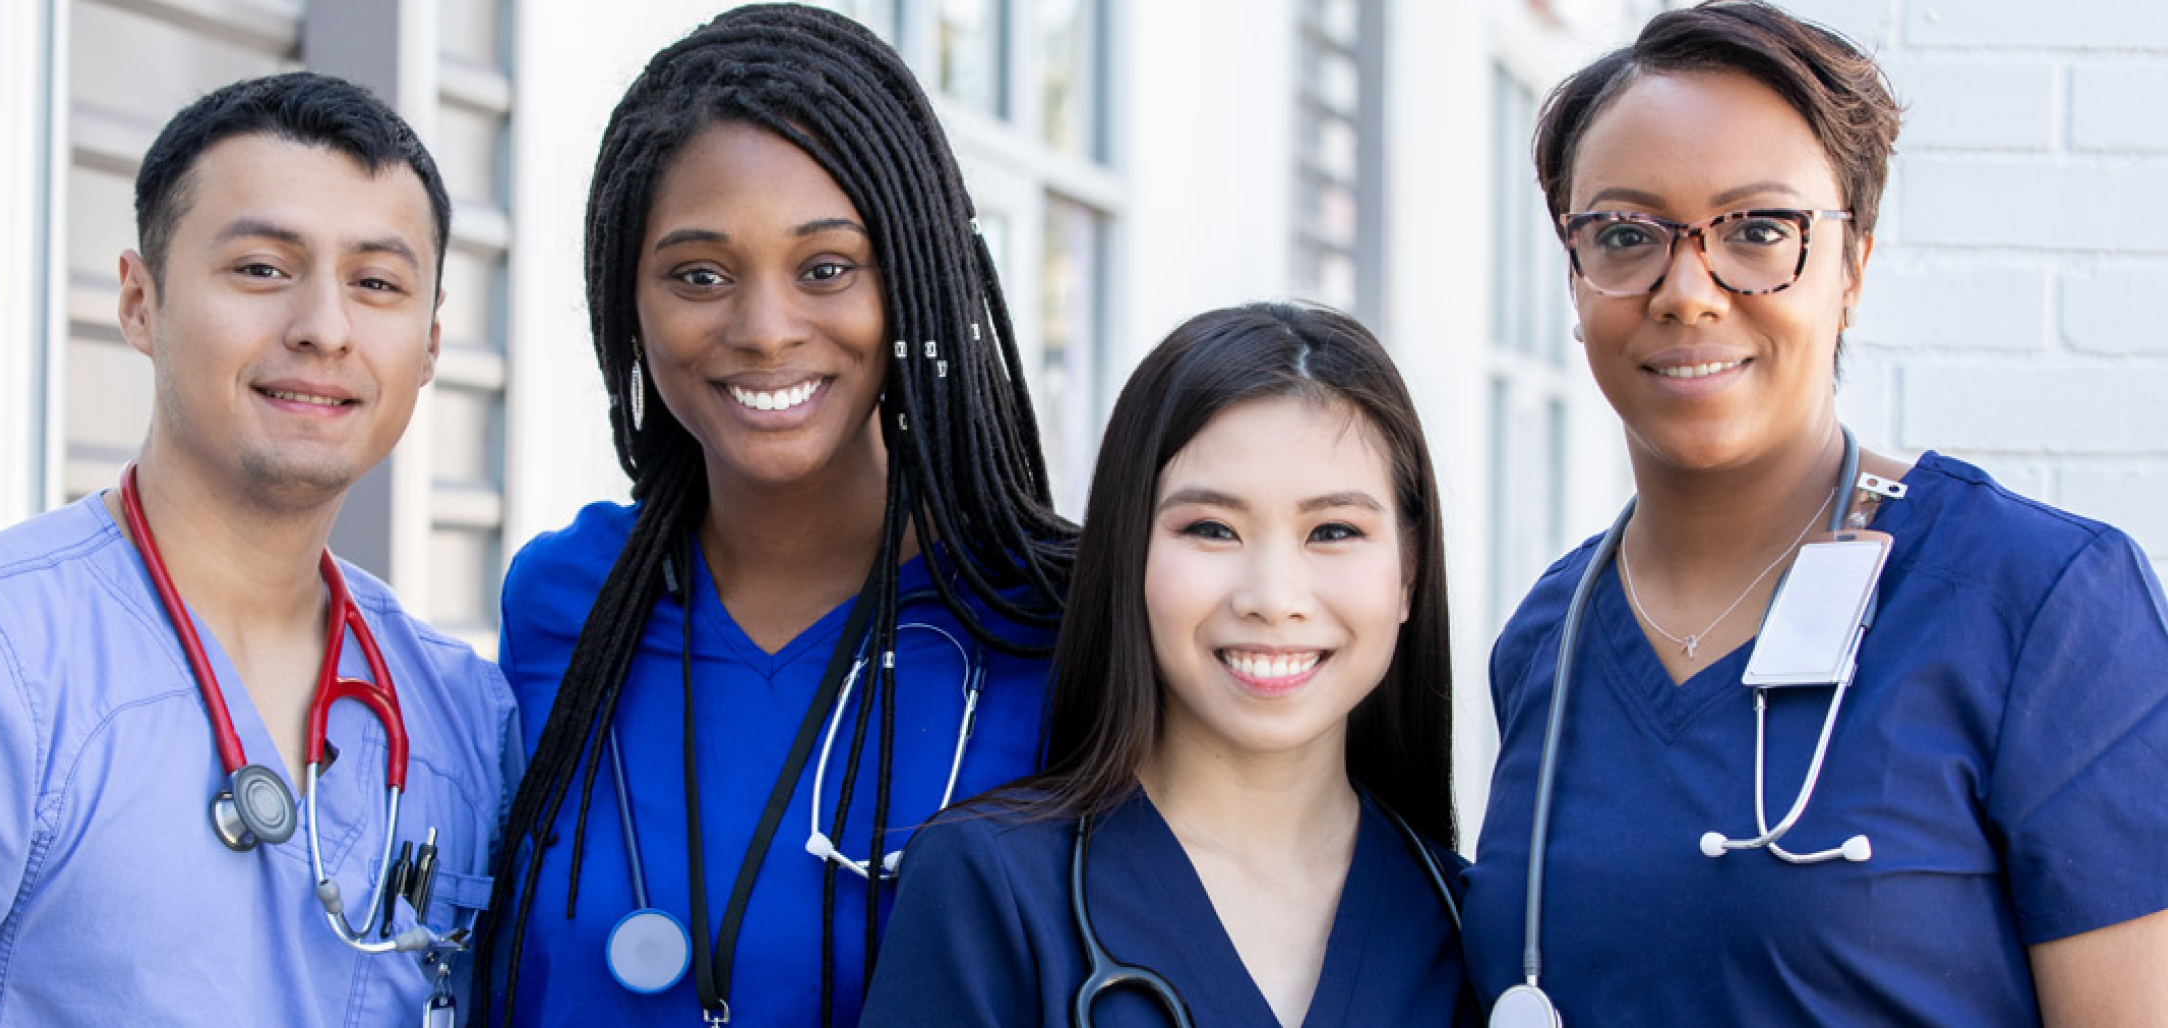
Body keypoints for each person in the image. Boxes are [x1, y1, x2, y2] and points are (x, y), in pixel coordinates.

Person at [1461, 3, 2168, 1025]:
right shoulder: (1547, 641)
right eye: (1623, 234)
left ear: (1854, 270)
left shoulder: (2041, 607)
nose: (1688, 289)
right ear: (1576, 280)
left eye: (1758, 231)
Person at [0, 72, 522, 1025]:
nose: (324, 328)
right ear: (139, 301)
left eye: (377, 285)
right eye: (261, 268)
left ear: (429, 346)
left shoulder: (460, 712)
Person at [474, 6, 1076, 1027]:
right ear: (628, 301)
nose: (763, 329)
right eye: (698, 275)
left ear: (917, 281)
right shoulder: (562, 604)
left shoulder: (1051, 622)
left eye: (827, 268)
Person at [860, 302, 1473, 1028]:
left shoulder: (1473, 931)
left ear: (1408, 572)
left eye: (1333, 531)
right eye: (1211, 529)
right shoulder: (991, 889)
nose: (1273, 598)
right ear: (1130, 554)